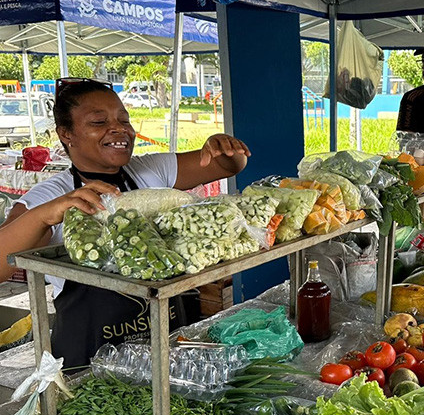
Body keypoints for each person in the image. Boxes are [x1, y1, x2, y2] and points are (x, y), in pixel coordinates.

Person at [0, 78, 251, 369]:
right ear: (66, 133)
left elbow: (227, 165)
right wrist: (46, 215)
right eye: (99, 121)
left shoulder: (150, 170)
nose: (119, 128)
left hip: (167, 334)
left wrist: (224, 146)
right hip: (93, 355)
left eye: (124, 119)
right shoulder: (49, 196)